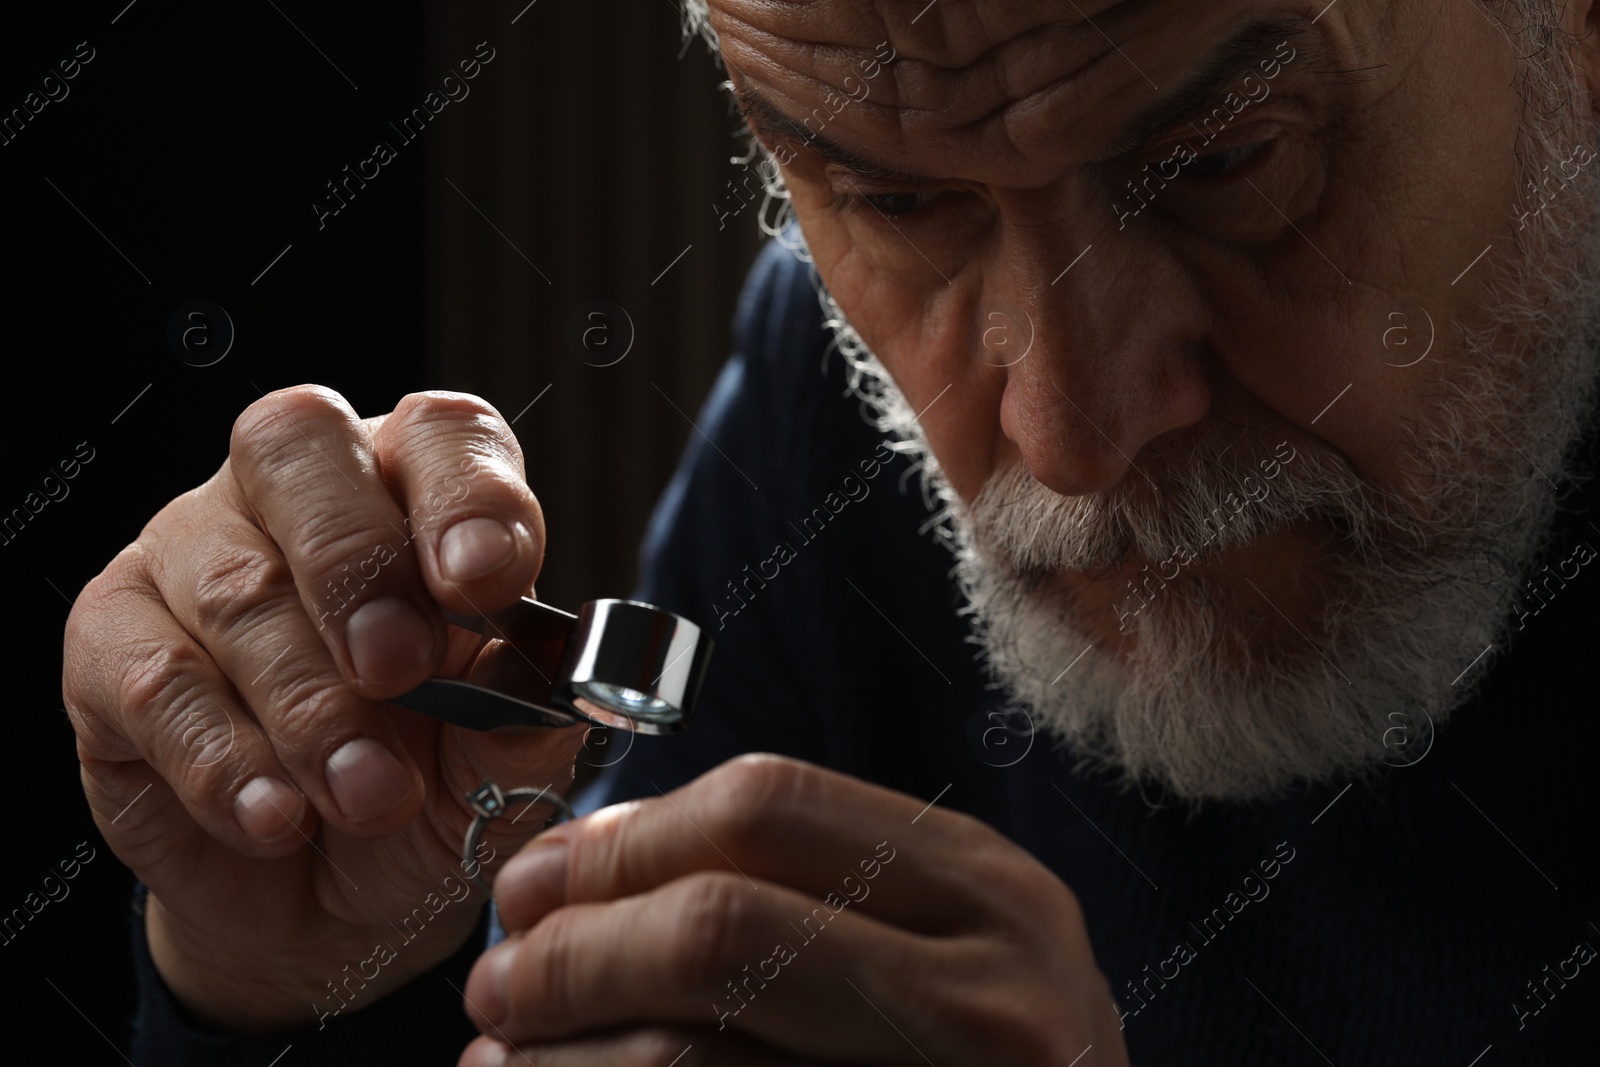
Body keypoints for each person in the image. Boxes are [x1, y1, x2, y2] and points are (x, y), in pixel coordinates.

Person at [62, 0, 1600, 1063]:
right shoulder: (822, 407)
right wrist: (305, 994)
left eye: (1224, 164)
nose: (1064, 431)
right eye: (895, 203)